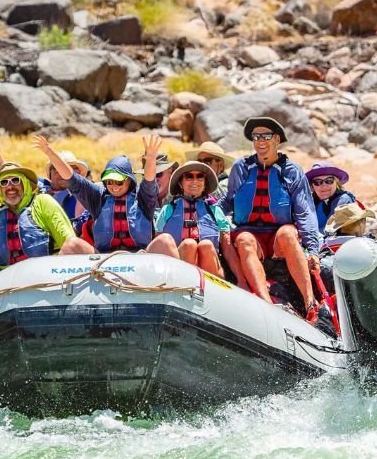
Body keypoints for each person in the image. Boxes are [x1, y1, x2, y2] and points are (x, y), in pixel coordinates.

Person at [221, 116, 321, 312]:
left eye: (266, 136)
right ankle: (266, 305)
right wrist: (207, 214)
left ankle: (310, 303)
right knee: (244, 240)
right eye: (256, 137)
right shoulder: (241, 167)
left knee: (288, 233)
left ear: (277, 139)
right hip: (250, 232)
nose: (260, 141)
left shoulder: (292, 171)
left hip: (278, 237)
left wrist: (313, 250)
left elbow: (305, 212)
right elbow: (228, 200)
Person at [0, 162, 93, 295]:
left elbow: (68, 241)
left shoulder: (43, 203)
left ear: (25, 184)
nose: (10, 186)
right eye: (4, 182)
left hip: (43, 275)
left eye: (15, 180)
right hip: (4, 278)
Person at [36, 134, 161, 253]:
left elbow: (149, 181)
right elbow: (71, 177)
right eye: (109, 182)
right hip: (102, 257)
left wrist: (151, 160)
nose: (113, 186)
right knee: (72, 244)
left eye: (119, 182)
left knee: (164, 240)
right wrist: (50, 153)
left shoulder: (143, 198)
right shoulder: (98, 197)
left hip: (141, 255)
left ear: (129, 180)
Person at [147, 161, 232, 275]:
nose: (195, 181)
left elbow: (228, 248)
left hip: (210, 269)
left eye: (200, 176)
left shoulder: (215, 210)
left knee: (206, 245)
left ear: (205, 183)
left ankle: (207, 283)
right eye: (189, 176)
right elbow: (159, 243)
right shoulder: (168, 209)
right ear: (180, 183)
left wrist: (240, 279)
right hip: (177, 267)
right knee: (189, 245)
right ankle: (187, 281)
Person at [306, 163, 359, 232]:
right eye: (317, 182)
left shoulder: (344, 199)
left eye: (329, 181)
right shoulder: (310, 202)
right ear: (312, 186)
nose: (324, 186)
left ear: (336, 183)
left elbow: (331, 230)